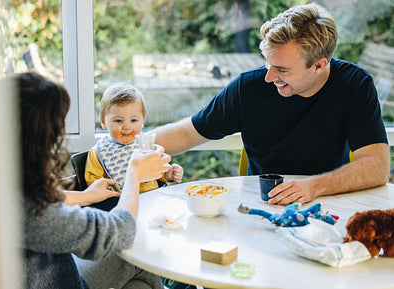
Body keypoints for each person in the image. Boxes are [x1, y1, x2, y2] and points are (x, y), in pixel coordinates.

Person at [151, 3, 390, 206]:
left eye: (282, 69)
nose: (268, 77)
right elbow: (186, 133)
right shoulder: (248, 88)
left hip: (331, 202)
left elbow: (376, 167)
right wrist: (123, 144)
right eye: (268, 63)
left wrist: (314, 187)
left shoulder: (355, 85)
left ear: (319, 65)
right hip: (261, 204)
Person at [16, 72, 170, 289]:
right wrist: (133, 174)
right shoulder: (37, 216)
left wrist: (85, 196)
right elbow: (120, 232)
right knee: (137, 247)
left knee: (140, 286)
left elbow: (33, 200)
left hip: (51, 275)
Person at [85, 84, 183, 195]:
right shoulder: (98, 152)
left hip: (153, 199)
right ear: (103, 122)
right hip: (119, 204)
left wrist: (169, 174)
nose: (127, 127)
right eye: (118, 121)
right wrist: (109, 190)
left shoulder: (145, 145)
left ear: (142, 121)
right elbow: (93, 183)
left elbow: (157, 170)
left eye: (134, 120)